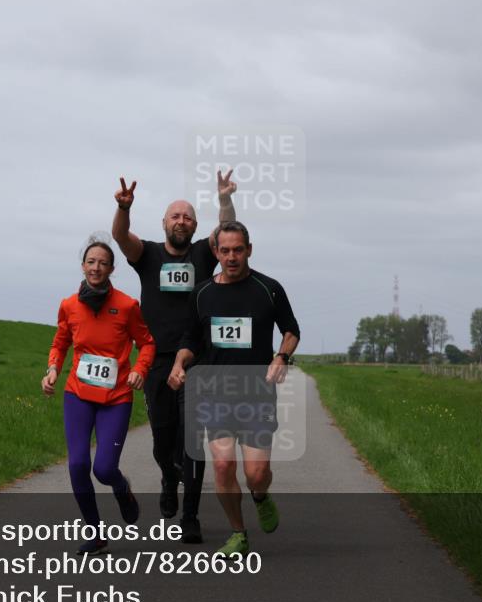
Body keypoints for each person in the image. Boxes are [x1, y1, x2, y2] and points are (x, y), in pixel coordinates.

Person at [110, 171, 237, 544]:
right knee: (163, 441)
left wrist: (224, 198)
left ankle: (190, 516)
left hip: (198, 358)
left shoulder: (202, 253)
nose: (181, 221)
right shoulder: (147, 254)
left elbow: (227, 228)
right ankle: (168, 477)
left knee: (192, 439)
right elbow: (120, 237)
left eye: (187, 217)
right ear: (164, 224)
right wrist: (123, 208)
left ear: (195, 226)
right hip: (156, 359)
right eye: (175, 216)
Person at [168, 220, 300, 555]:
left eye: (238, 250)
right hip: (216, 394)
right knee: (223, 466)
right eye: (224, 250)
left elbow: (291, 329)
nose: (231, 257)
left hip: (257, 396)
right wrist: (179, 362)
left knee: (256, 474)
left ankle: (260, 495)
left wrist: (282, 357)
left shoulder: (268, 289)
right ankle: (238, 533)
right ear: (216, 252)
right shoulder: (202, 294)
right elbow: (190, 340)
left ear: (249, 250)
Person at [42, 239, 156, 555]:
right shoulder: (69, 305)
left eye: (102, 263)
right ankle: (95, 532)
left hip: (116, 398)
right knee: (78, 465)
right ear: (83, 266)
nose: (96, 268)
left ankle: (122, 488)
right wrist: (52, 368)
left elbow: (147, 344)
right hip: (78, 395)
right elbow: (60, 342)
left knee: (104, 469)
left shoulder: (127, 305)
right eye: (91, 261)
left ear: (111, 269)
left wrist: (140, 370)